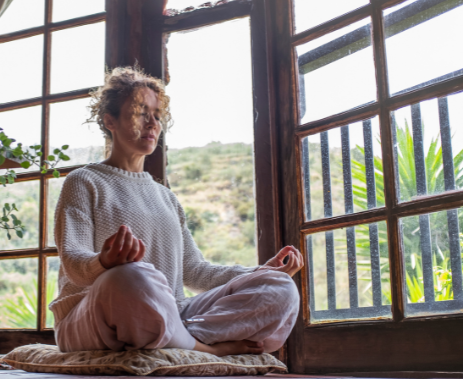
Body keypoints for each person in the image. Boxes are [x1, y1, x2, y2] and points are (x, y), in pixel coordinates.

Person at [49, 66, 303, 357]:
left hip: (167, 316)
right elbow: (73, 262)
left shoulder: (166, 197)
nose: (153, 123)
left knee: (278, 287)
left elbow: (196, 272)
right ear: (110, 121)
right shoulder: (84, 181)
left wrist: (260, 271)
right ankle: (204, 347)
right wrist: (104, 262)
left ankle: (180, 339)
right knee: (127, 277)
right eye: (141, 112)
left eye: (157, 115)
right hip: (93, 318)